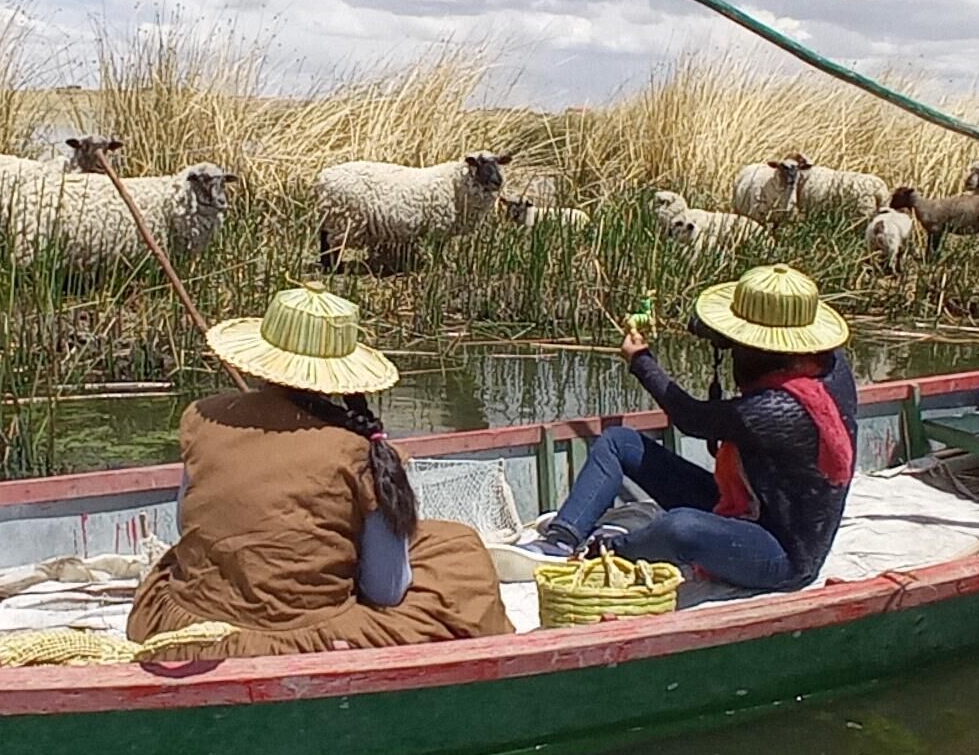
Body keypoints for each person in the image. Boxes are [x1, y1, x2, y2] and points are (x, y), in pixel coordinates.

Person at [128, 282, 513, 657]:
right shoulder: (358, 449)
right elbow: (386, 590)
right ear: (341, 374)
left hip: (190, 625)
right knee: (461, 555)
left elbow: (185, 523)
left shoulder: (202, 417)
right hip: (297, 638)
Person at [493, 264, 857, 593]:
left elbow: (692, 419)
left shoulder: (778, 408)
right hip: (747, 505)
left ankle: (604, 550)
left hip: (782, 553)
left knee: (679, 528)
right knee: (620, 443)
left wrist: (642, 361)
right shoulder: (829, 366)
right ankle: (560, 539)